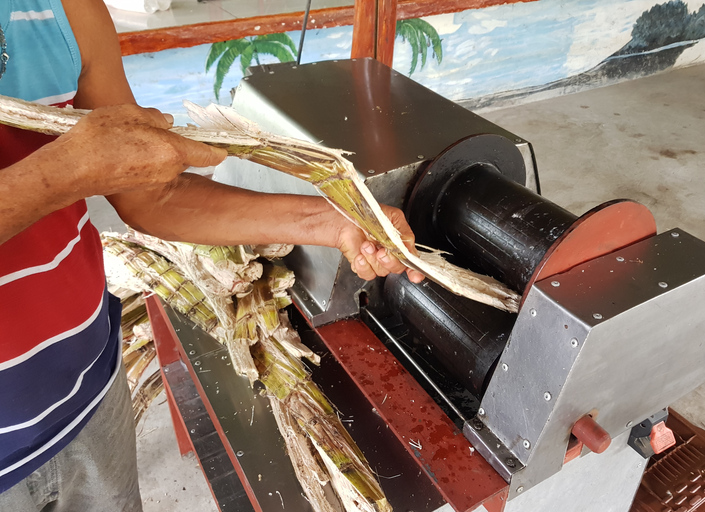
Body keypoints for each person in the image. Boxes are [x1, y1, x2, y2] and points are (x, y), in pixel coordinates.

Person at [0, 0, 424, 510]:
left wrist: (333, 222)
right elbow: (82, 168)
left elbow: (152, 196)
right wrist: (66, 171)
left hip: (87, 386)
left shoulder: (66, 12)